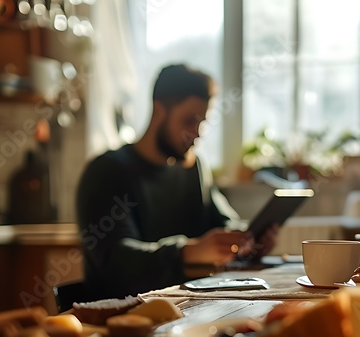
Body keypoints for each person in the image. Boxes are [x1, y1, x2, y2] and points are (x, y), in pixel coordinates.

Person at [75, 64, 277, 301]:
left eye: (202, 122)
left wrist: (248, 244)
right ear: (158, 111)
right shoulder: (107, 171)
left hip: (188, 311)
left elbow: (224, 224)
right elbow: (116, 262)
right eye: (189, 121)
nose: (197, 132)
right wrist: (188, 252)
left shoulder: (195, 168)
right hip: (122, 317)